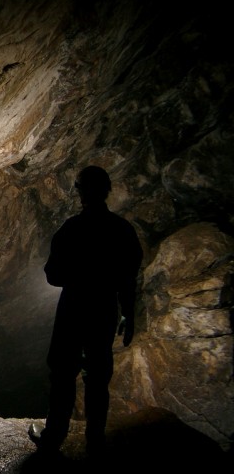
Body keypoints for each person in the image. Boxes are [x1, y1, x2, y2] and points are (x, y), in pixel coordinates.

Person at [29, 165, 143, 455]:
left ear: (80, 192)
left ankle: (55, 436)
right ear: (107, 191)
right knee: (97, 374)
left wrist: (77, 274)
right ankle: (95, 438)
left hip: (74, 307)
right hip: (105, 308)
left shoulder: (72, 229)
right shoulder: (122, 230)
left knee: (63, 372)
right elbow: (128, 278)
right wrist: (128, 315)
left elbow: (53, 275)